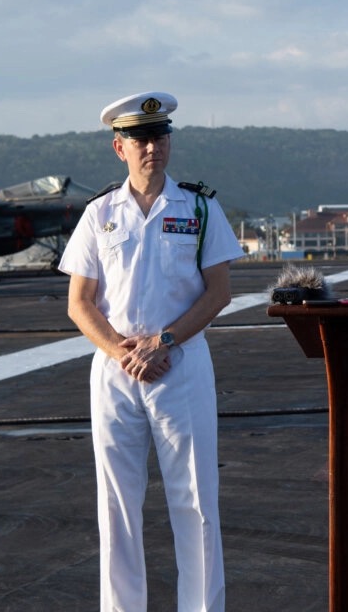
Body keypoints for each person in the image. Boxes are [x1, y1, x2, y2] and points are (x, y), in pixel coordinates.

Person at [58, 91, 243, 612]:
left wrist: (163, 341)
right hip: (117, 370)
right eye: (140, 139)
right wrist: (124, 352)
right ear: (120, 148)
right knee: (116, 506)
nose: (152, 147)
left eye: (160, 137)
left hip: (180, 363)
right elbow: (79, 302)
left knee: (196, 502)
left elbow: (219, 291)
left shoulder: (201, 207)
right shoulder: (98, 214)